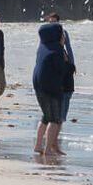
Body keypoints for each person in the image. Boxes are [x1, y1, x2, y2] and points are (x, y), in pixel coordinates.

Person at [32, 14, 75, 157]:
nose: (63, 37)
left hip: (40, 87)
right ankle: (48, 149)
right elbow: (62, 70)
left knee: (46, 117)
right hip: (51, 88)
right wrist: (69, 65)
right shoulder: (56, 50)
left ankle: (38, 145)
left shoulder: (43, 47)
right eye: (61, 34)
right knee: (55, 120)